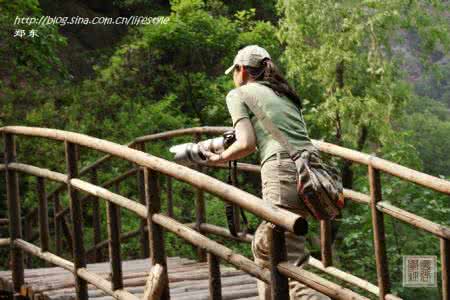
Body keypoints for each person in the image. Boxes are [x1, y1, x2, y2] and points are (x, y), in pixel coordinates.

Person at [201, 45, 331, 300]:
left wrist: (219, 158)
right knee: (265, 247)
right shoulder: (284, 94)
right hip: (310, 172)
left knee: (288, 263)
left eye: (234, 72)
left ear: (241, 70)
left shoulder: (239, 94)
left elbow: (246, 143)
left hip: (282, 173)